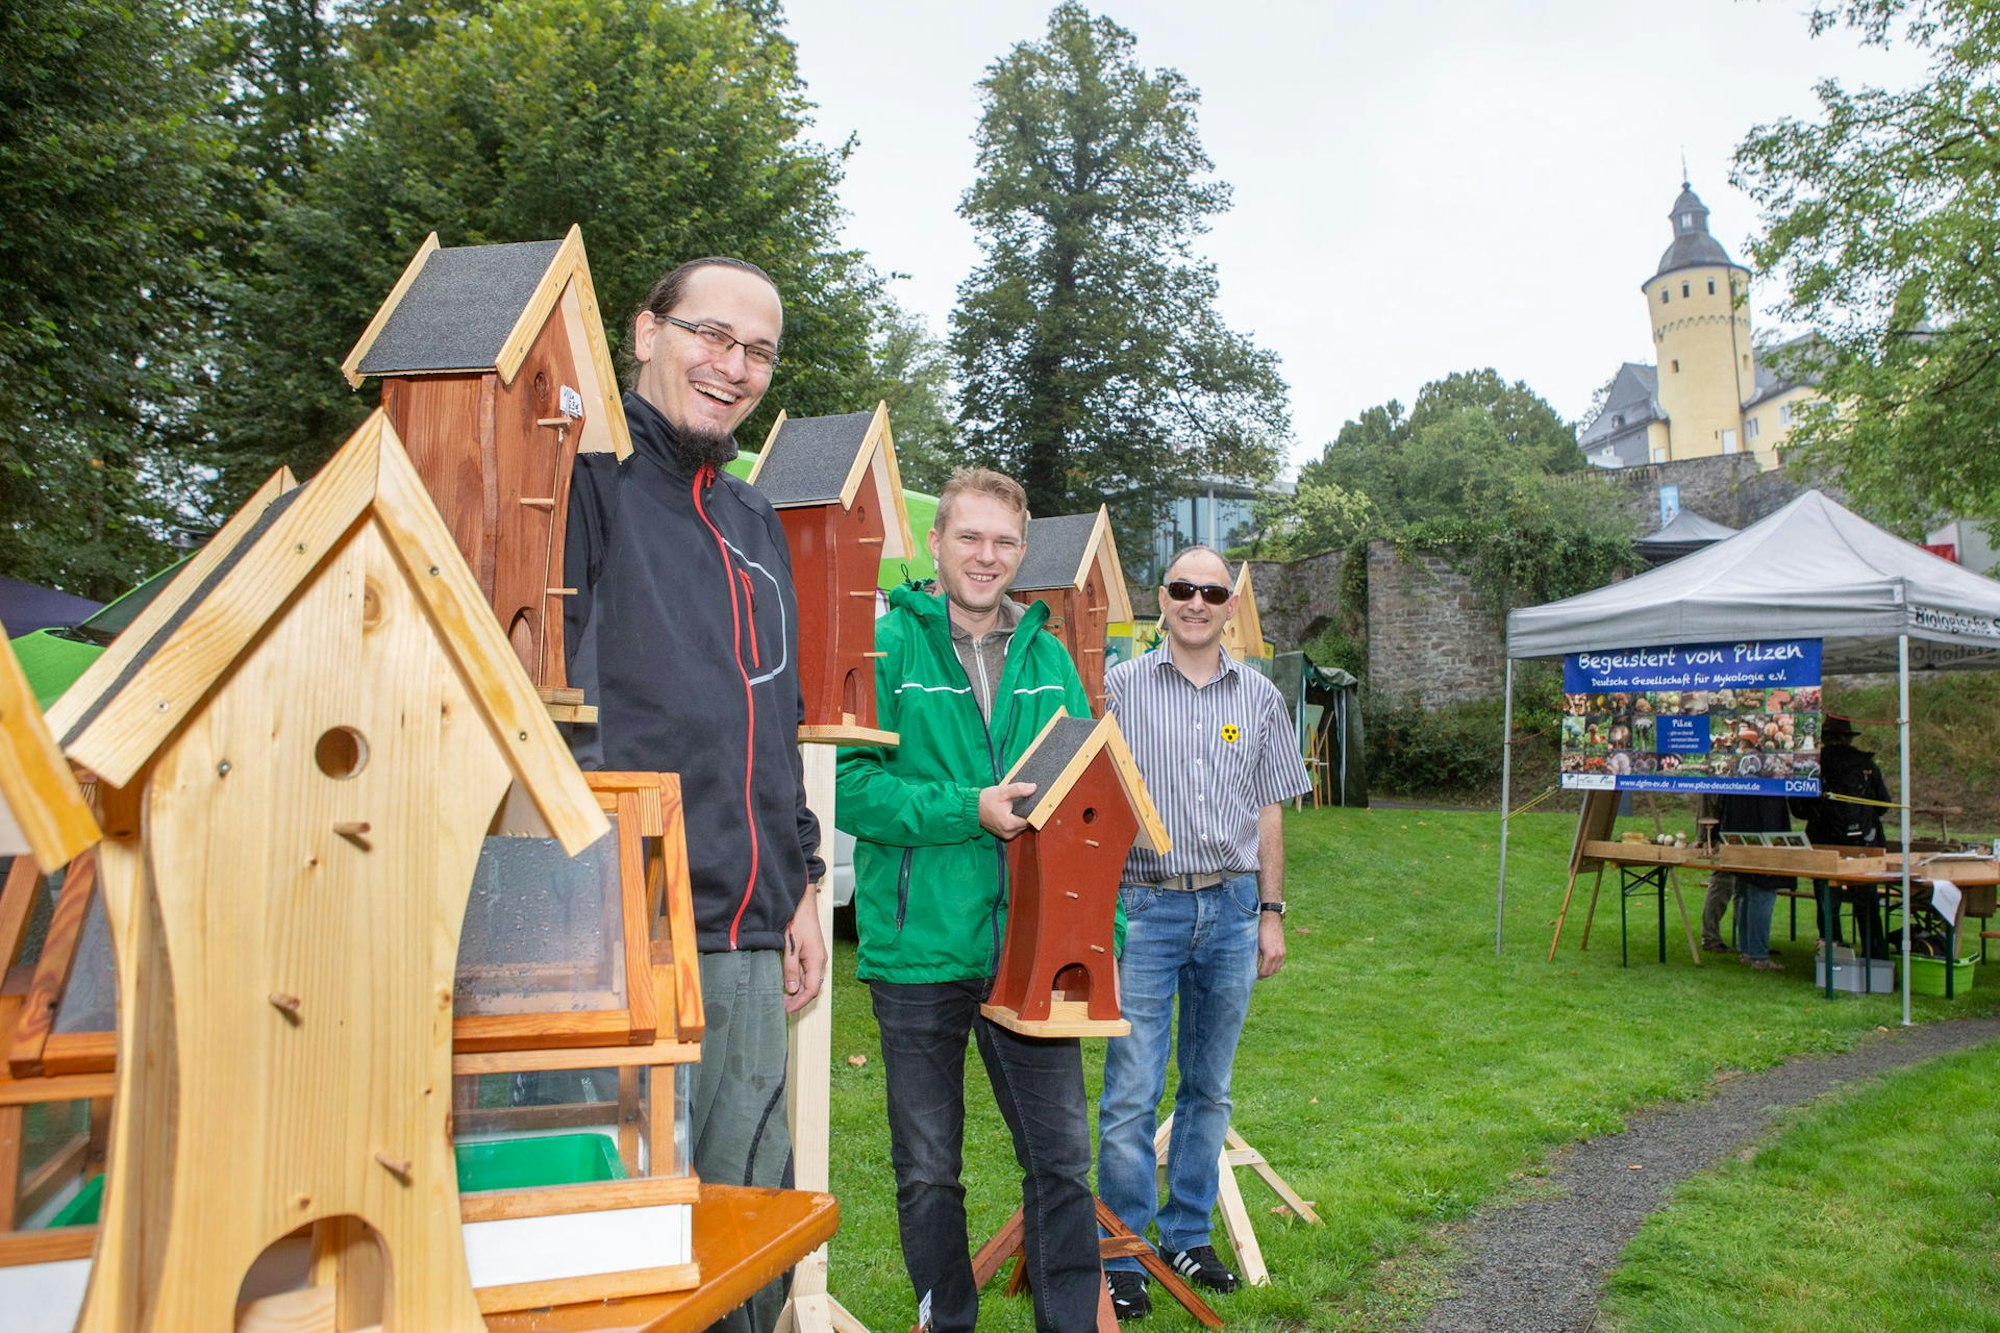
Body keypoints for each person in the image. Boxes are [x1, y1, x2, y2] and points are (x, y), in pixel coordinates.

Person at [563, 257, 825, 1333]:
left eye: (756, 351)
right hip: (614, 932)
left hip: (748, 940)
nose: (732, 367)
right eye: (710, 336)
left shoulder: (759, 524)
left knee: (743, 1228)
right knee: (612, 1243)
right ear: (643, 331)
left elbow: (775, 722)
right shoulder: (580, 483)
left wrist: (803, 877)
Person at [835, 468, 1102, 1333]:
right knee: (927, 1169)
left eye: (1003, 541)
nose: (987, 557)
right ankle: (947, 1317)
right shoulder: (889, 648)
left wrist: (1099, 935)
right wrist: (967, 809)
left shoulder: (1049, 654)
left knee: (1061, 1160)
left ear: (1023, 551)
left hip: (1030, 945)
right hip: (919, 948)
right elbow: (847, 786)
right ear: (936, 544)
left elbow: (1087, 800)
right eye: (970, 538)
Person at [1096, 546, 1311, 1321]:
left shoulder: (1258, 698)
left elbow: (1270, 811)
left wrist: (1271, 911)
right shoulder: (1116, 688)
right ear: (1162, 598)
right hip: (1144, 909)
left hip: (1229, 909)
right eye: (1183, 588)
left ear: (1229, 602)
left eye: (1211, 591)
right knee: (1130, 1091)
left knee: (1208, 1087)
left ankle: (1186, 1234)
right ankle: (1121, 1249)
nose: (1196, 601)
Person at [1792, 715, 1893, 957]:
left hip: (1823, 840)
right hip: (1863, 842)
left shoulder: (1811, 765)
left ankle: (1831, 948)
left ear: (1823, 738)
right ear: (1848, 737)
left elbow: (1798, 808)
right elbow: (1883, 805)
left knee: (1828, 900)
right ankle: (1874, 952)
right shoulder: (1866, 764)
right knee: (1867, 900)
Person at [1716, 793, 1792, 971]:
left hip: (1739, 827)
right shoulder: (1767, 789)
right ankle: (1757, 955)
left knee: (1746, 891)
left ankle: (1748, 950)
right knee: (1761, 891)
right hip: (1761, 832)